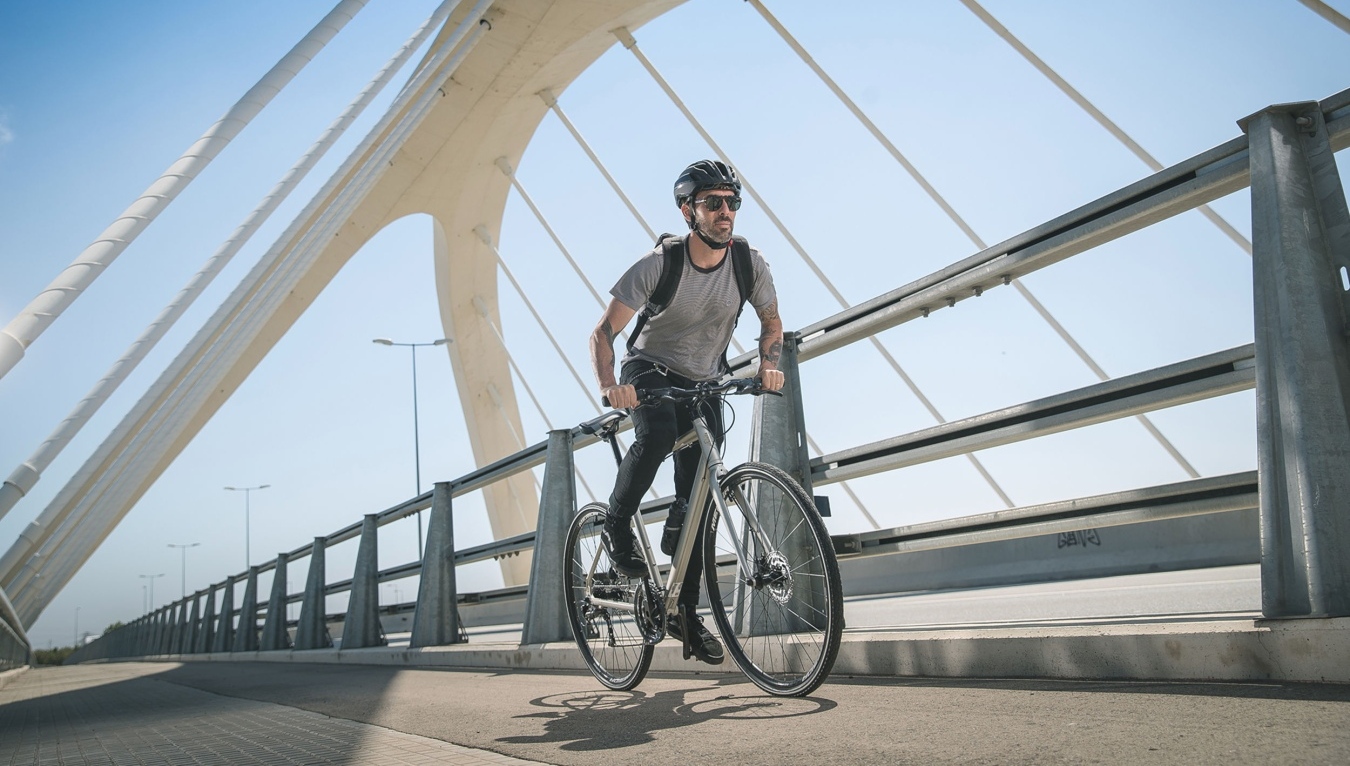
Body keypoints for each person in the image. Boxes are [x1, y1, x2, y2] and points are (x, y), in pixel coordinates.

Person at [588, 159, 784, 664]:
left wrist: (768, 365)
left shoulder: (748, 263)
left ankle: (683, 611)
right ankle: (616, 525)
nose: (725, 211)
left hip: (704, 379)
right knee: (655, 435)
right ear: (687, 211)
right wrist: (610, 387)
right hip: (649, 370)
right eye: (712, 203)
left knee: (700, 494)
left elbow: (771, 321)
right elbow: (603, 332)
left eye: (732, 202)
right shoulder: (660, 263)